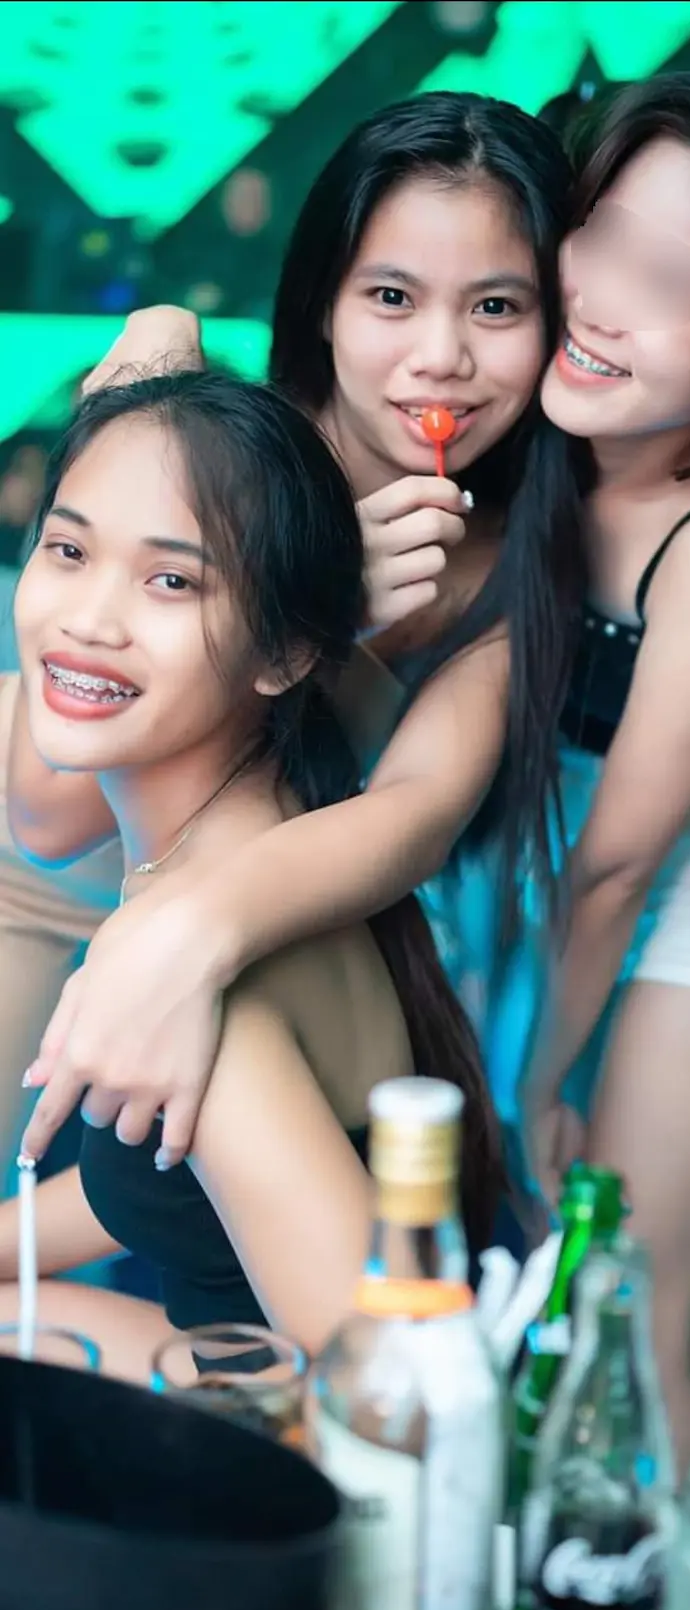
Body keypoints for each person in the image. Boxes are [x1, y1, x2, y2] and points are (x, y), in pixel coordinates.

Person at [11, 92, 583, 1171]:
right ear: (322, 301)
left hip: (248, 945)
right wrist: (313, 598)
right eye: (390, 295)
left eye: (497, 307)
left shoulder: (521, 566)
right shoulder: (214, 456)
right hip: (55, 893)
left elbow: (415, 814)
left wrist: (186, 933)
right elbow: (48, 818)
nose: (440, 357)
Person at [0, 369, 505, 1380]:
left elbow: (385, 1385)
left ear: (282, 652)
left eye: (172, 580)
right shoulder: (244, 861)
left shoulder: (194, 981)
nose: (89, 618)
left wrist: (174, 1374)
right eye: (69, 548)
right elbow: (164, 1185)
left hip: (266, 1503)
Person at [522, 72, 690, 1472]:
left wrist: (541, 1067)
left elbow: (627, 863)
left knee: (631, 1280)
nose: (604, 297)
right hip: (582, 855)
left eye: (671, 273)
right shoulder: (536, 426)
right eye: (603, 233)